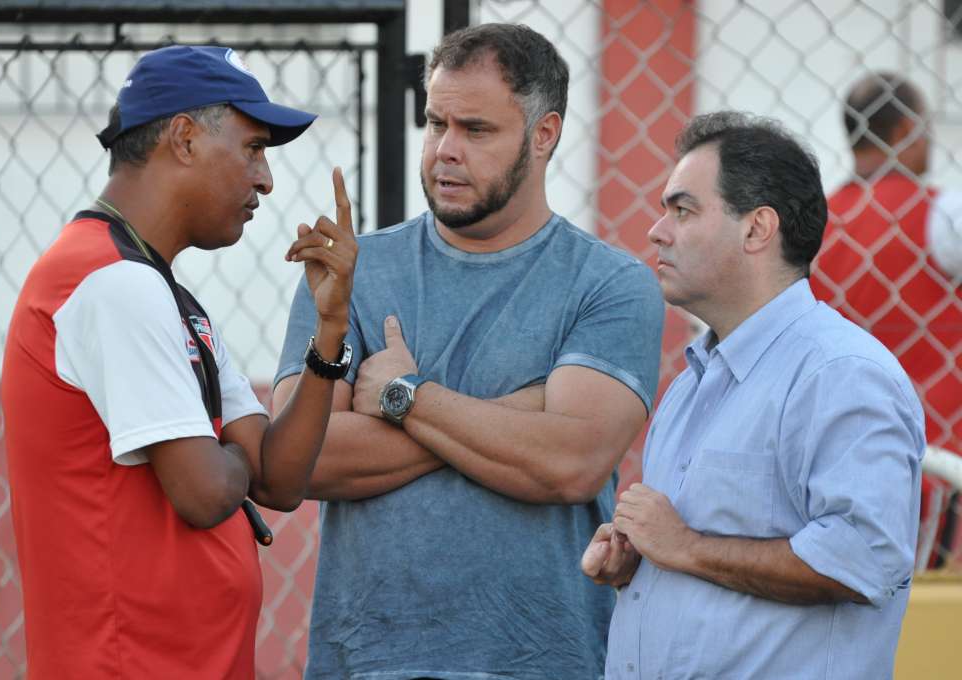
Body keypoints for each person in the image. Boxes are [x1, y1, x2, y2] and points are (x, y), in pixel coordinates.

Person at [272, 23, 663, 679]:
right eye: (435, 123)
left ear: (544, 136)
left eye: (476, 130)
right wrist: (514, 416)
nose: (444, 151)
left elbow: (568, 466)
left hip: (543, 660)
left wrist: (401, 397)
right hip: (370, 659)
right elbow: (297, 461)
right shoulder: (353, 275)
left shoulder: (609, 285)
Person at [1, 45, 358, 679]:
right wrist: (231, 458)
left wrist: (330, 332)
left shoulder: (158, 288)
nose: (267, 179)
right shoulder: (110, 282)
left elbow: (276, 479)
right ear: (185, 139)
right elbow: (203, 491)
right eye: (253, 148)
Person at [582, 111, 924, 679]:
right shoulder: (693, 382)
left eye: (682, 209)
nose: (656, 230)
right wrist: (639, 563)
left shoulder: (840, 373)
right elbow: (695, 551)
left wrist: (683, 546)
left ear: (757, 229)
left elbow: (862, 558)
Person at [811, 72, 962, 565]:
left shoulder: (811, 224)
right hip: (938, 462)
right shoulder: (942, 214)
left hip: (837, 455)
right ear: (903, 131)